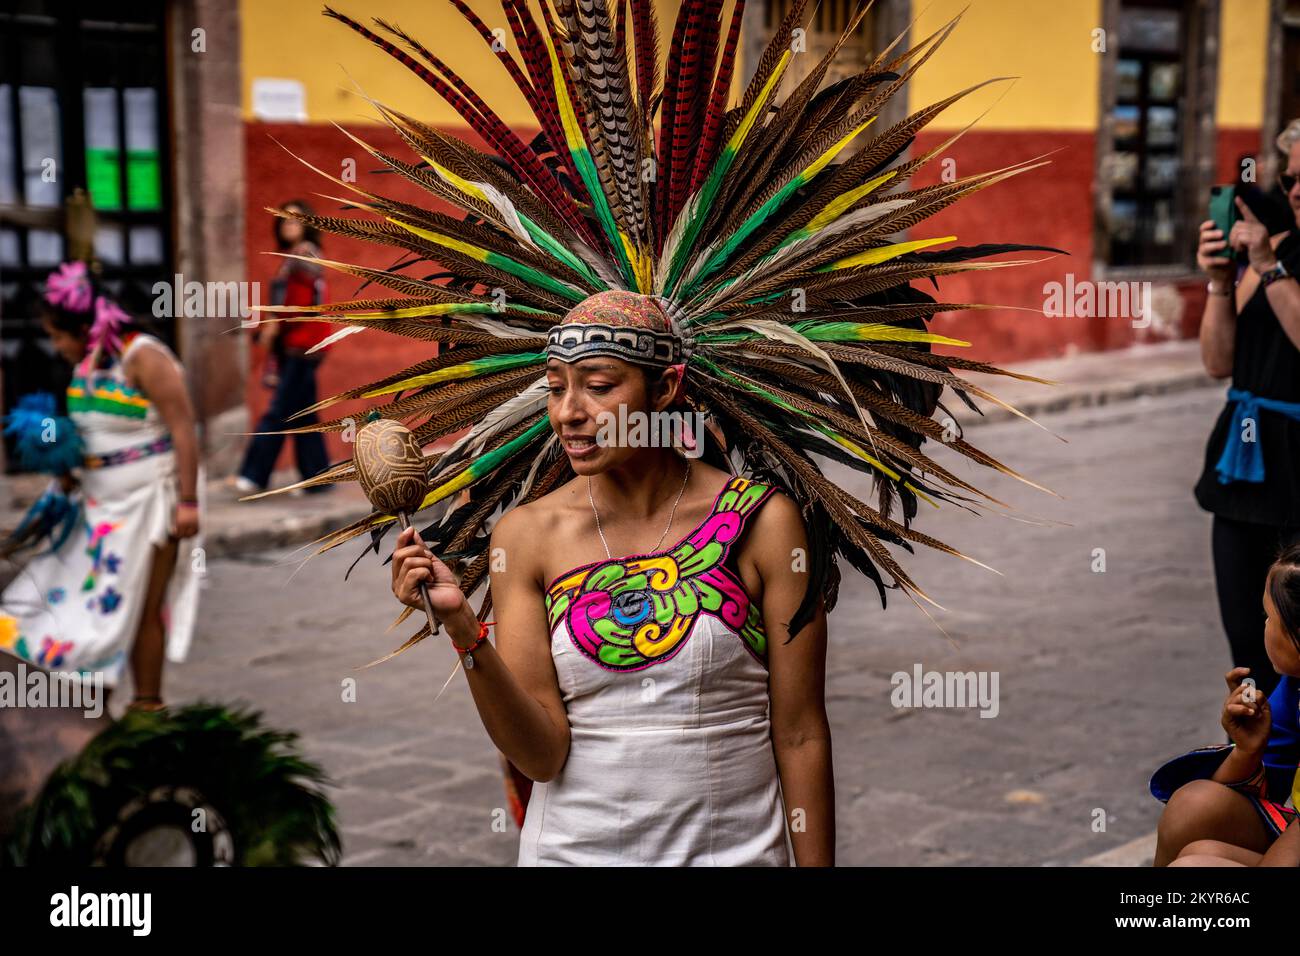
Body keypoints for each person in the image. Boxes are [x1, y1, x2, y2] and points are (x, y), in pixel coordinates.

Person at [291, 1, 1051, 865]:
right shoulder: (524, 535)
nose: (570, 411)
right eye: (554, 388)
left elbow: (800, 735)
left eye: (599, 386)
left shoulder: (763, 523)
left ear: (668, 387)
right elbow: (541, 755)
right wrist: (467, 634)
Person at [0, 260, 203, 710]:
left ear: (82, 325)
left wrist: (187, 502)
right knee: (86, 607)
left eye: (57, 335)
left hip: (153, 502)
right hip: (96, 507)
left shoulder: (144, 356)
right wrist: (62, 460)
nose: (55, 346)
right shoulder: (86, 363)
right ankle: (92, 715)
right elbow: (90, 435)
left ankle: (146, 712)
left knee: (143, 609)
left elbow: (184, 428)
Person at [1193, 119, 1300, 701]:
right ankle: (1258, 765)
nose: (1297, 189)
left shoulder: (1272, 262)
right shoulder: (1274, 252)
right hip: (1245, 466)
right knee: (1251, 643)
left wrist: (1268, 269)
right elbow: (1217, 362)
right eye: (1292, 178)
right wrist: (1217, 283)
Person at [1154, 543, 1300, 866]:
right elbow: (1269, 784)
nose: (1264, 626)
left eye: (1269, 617)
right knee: (1191, 808)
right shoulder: (1294, 689)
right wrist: (1248, 749)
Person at [231, 199, 333, 495]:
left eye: (295, 220)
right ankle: (318, 477)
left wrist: (274, 324)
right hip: (301, 345)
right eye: (284, 220)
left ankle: (253, 474)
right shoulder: (293, 256)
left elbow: (300, 305)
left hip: (302, 346)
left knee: (277, 412)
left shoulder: (304, 255)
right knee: (303, 413)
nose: (289, 225)